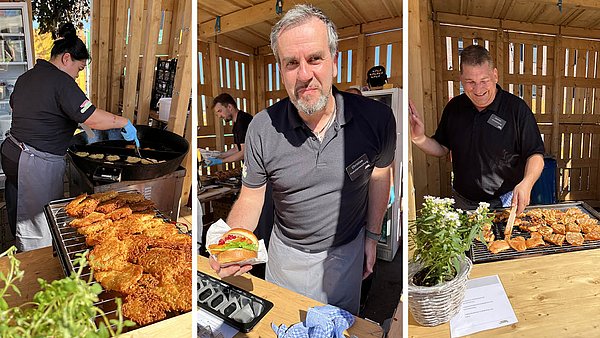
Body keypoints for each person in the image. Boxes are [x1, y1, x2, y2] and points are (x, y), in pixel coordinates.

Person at [209, 4, 396, 315]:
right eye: (291, 63)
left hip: (346, 252)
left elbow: (379, 174)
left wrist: (372, 236)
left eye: (315, 59)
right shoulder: (262, 128)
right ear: (280, 69)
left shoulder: (376, 119)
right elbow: (252, 196)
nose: (305, 74)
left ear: (334, 62)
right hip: (286, 257)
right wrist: (233, 245)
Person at [0, 23, 140, 252]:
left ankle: (16, 240)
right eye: (80, 68)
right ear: (67, 59)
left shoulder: (28, 76)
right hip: (34, 161)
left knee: (18, 201)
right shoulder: (62, 82)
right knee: (37, 222)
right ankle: (35, 264)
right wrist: (123, 122)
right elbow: (92, 117)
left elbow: (22, 109)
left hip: (12, 153)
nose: (78, 74)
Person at [409, 44, 544, 215]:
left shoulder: (516, 109)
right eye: (470, 82)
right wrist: (419, 138)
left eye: (484, 81)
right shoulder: (454, 108)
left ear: (495, 75)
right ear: (461, 79)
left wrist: (527, 183)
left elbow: (536, 155)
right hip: (463, 202)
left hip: (506, 202)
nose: (478, 89)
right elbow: (442, 147)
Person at [204, 93, 253, 166]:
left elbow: (244, 153)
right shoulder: (236, 123)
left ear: (229, 107)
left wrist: (221, 161)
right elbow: (236, 149)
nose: (219, 116)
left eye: (220, 111)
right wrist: (218, 155)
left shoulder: (243, 121)